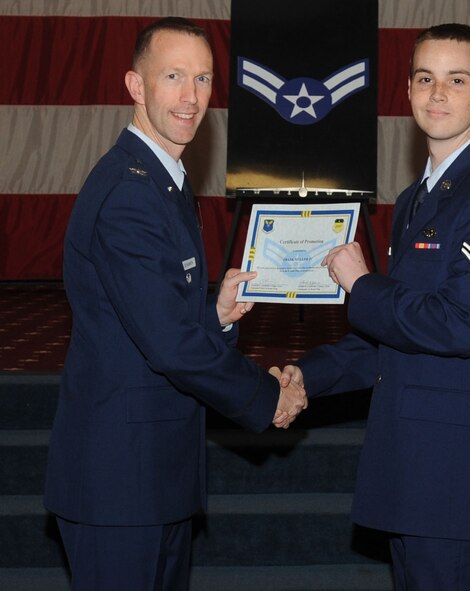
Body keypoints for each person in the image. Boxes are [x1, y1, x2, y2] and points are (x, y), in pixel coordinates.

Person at [43, 17, 307, 590]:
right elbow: (169, 346)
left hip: (151, 472)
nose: (191, 97)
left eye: (204, 79)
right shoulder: (130, 194)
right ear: (135, 86)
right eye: (173, 77)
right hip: (119, 480)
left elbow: (146, 320)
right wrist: (266, 397)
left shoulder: (162, 181)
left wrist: (213, 315)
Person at [279, 23, 470, 590]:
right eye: (425, 78)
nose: (437, 94)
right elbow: (395, 331)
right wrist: (308, 374)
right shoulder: (422, 195)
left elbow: (460, 325)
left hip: (457, 482)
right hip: (419, 472)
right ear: (408, 91)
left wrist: (362, 284)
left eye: (456, 79)